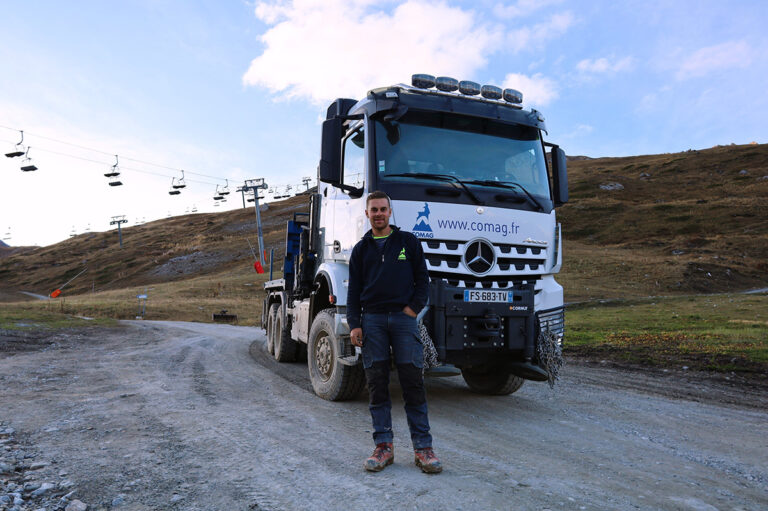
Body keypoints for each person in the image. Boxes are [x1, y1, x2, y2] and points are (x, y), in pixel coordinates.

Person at [347, 190, 442, 474]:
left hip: (403, 321)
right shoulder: (361, 250)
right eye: (373, 210)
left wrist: (412, 310)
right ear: (367, 214)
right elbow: (353, 292)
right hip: (372, 320)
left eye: (383, 209)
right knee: (376, 384)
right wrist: (355, 323)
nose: (378, 214)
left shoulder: (408, 242)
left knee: (412, 382)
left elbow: (423, 281)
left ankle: (423, 450)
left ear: (390, 212)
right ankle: (383, 448)